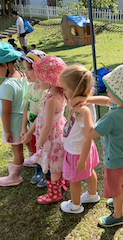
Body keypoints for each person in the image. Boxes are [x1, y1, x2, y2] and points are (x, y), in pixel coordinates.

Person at [72, 64, 123, 226]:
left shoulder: (113, 117)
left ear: (120, 95)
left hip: (115, 161)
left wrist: (84, 112)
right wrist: (87, 100)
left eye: (110, 90)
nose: (107, 91)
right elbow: (107, 101)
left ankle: (118, 216)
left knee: (116, 191)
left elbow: (90, 134)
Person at [22, 56, 67, 204]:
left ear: (51, 78)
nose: (38, 80)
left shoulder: (52, 99)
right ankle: (61, 185)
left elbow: (47, 126)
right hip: (56, 135)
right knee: (56, 165)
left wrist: (39, 142)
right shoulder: (57, 94)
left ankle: (54, 194)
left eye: (41, 77)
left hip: (51, 139)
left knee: (52, 168)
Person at [59, 64, 100, 214]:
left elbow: (88, 136)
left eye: (65, 89)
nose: (63, 92)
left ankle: (75, 206)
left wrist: (82, 159)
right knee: (90, 172)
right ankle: (92, 195)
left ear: (76, 89)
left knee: (74, 180)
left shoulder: (83, 109)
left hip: (78, 152)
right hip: (79, 149)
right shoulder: (83, 102)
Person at [0, 42, 29, 186]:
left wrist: (6, 130)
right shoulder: (23, 75)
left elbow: (6, 111)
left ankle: (15, 176)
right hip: (25, 121)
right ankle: (32, 162)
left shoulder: (6, 85)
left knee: (17, 150)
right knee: (28, 144)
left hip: (14, 124)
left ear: (5, 65)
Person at [20, 50, 48, 188]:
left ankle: (45, 172)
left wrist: (30, 131)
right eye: (25, 68)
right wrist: (23, 127)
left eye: (29, 69)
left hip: (41, 130)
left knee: (43, 151)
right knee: (34, 149)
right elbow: (27, 105)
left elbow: (42, 114)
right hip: (31, 128)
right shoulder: (31, 86)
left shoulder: (44, 91)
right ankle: (38, 170)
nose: (26, 72)